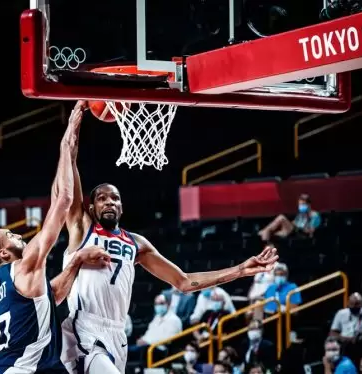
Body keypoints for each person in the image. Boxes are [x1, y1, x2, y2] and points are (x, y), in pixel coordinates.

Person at [60, 106, 279, 374]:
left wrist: (241, 270)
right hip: (85, 327)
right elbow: (69, 166)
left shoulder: (136, 243)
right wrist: (75, 122)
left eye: (115, 197)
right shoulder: (82, 229)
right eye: (102, 198)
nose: (109, 201)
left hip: (117, 334)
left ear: (122, 207)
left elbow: (184, 282)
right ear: (91, 208)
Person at [0, 102, 111, 374]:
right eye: (9, 235)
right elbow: (64, 200)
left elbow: (50, 297)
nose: (17, 235)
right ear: (3, 253)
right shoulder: (24, 266)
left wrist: (77, 261)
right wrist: (68, 139)